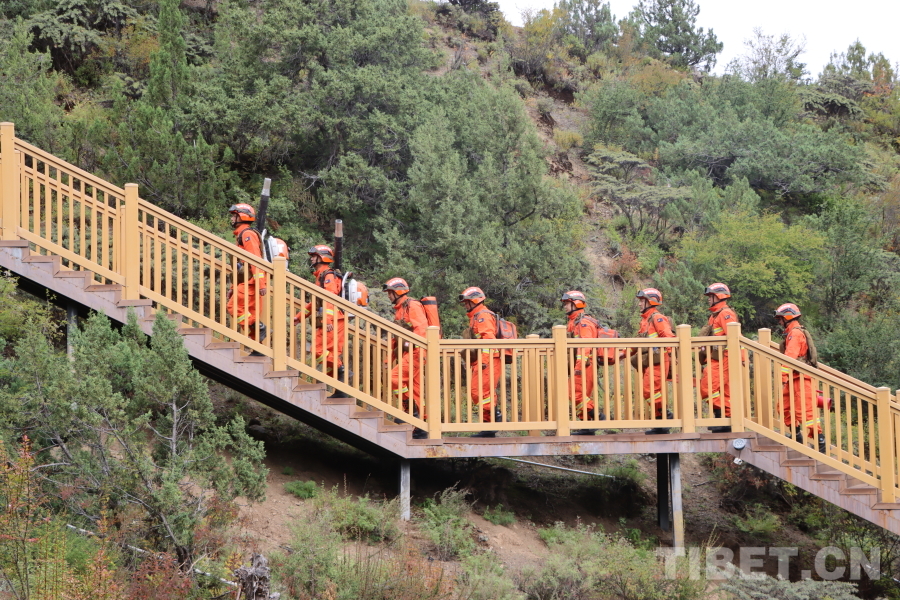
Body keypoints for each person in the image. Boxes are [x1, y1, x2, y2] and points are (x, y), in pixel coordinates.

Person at [293, 245, 347, 398]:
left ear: (322, 257)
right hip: (332, 320)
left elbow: (330, 298)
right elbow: (315, 302)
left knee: (318, 350)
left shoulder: (328, 275)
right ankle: (340, 389)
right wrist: (299, 316)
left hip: (333, 321)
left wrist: (327, 319)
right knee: (327, 355)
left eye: (314, 256)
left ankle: (341, 369)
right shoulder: (321, 276)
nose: (311, 259)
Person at [775, 303, 826, 453]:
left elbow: (789, 358)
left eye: (780, 318)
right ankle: (797, 437)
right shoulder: (791, 333)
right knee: (783, 407)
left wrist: (783, 376)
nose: (779, 322)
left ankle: (820, 443)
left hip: (802, 378)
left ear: (787, 317)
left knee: (806, 412)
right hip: (794, 378)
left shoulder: (795, 334)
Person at [561, 291, 611, 435]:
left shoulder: (583, 322)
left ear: (576, 304)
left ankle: (597, 417)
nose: (565, 306)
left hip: (585, 365)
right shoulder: (574, 321)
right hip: (582, 365)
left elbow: (585, 346)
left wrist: (578, 367)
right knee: (577, 394)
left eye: (567, 303)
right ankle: (587, 425)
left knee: (576, 394)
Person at [383, 277, 428, 439]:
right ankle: (421, 428)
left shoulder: (412, 306)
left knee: (394, 378)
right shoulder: (400, 309)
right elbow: (395, 339)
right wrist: (388, 359)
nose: (388, 296)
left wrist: (415, 350)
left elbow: (421, 330)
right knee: (415, 391)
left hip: (416, 353)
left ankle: (410, 412)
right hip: (409, 353)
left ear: (398, 292)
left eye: (390, 293)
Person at [459, 287, 503, 438]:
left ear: (475, 301)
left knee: (481, 392)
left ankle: (494, 418)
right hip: (483, 361)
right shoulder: (476, 316)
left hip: (488, 361)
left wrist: (483, 362)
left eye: (467, 302)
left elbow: (488, 341)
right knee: (480, 393)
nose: (465, 305)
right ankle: (489, 425)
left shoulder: (483, 315)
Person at [632, 288, 675, 434]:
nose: (639, 304)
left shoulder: (657, 318)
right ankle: (660, 422)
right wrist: (623, 353)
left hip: (658, 360)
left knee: (650, 391)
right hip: (649, 361)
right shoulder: (645, 320)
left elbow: (668, 337)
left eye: (642, 301)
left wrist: (671, 357)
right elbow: (638, 342)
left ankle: (665, 416)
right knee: (651, 391)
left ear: (650, 301)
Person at [698, 283, 739, 433]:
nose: (708, 299)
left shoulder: (725, 314)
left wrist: (740, 358)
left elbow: (735, 336)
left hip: (724, 358)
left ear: (719, 296)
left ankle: (722, 418)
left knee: (708, 387)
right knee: (723, 390)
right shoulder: (714, 315)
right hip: (716, 357)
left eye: (711, 296)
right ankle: (724, 420)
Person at [227, 204, 267, 356]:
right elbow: (239, 268)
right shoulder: (241, 235)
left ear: (242, 216)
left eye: (234, 215)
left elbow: (255, 259)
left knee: (233, 307)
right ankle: (258, 350)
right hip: (249, 282)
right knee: (249, 315)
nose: (232, 218)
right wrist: (232, 288)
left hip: (251, 282)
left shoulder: (247, 234)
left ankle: (259, 326)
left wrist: (260, 283)